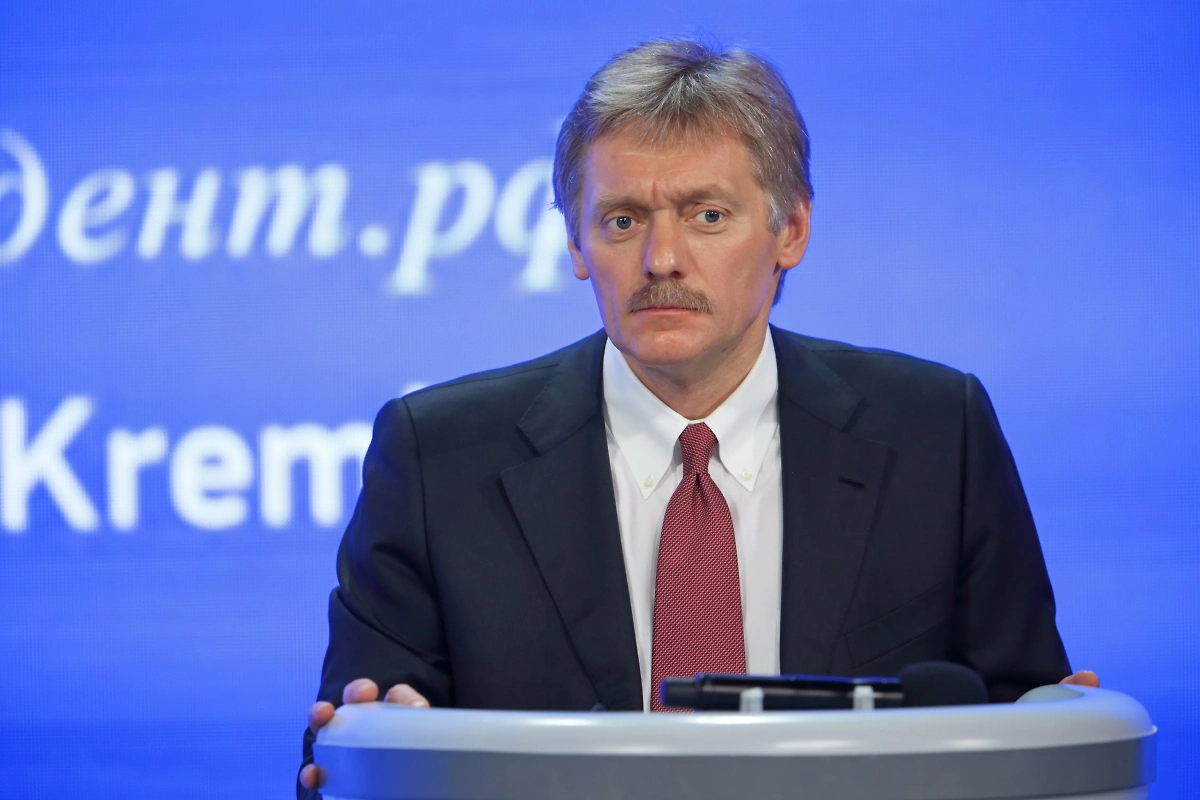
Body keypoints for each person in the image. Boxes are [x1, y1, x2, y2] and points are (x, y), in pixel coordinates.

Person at [298, 38, 1098, 795]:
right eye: (622, 220)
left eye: (706, 215)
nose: (662, 259)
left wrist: (1062, 732)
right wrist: (370, 747)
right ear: (576, 243)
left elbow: (1024, 727)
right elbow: (348, 750)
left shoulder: (936, 436)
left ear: (791, 230)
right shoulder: (436, 458)